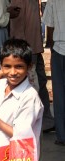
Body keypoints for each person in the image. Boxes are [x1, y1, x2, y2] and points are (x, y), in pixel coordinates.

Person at [9, 0, 55, 133]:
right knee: (31, 85)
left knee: (40, 82)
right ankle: (32, 121)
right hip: (26, 47)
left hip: (34, 45)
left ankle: (46, 121)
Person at [42, 0, 65, 145]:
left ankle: (62, 136)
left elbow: (49, 26)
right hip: (58, 49)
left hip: (58, 50)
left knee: (59, 93)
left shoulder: (53, 1)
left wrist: (50, 45)